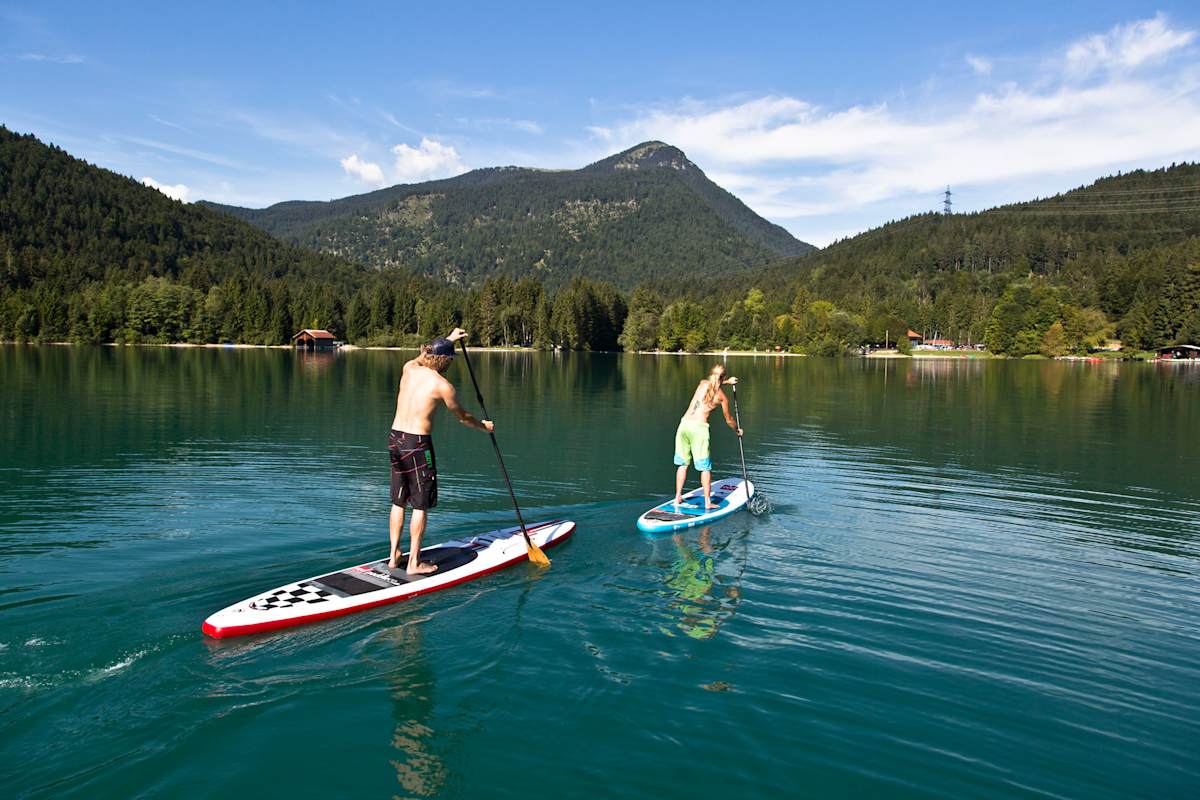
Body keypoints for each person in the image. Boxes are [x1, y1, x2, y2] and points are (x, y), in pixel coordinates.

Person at [387, 328, 493, 574]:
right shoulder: (442, 385)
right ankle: (413, 563)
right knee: (420, 504)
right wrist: (483, 426)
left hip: (394, 438)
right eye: (450, 359)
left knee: (399, 500)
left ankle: (394, 555)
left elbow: (424, 353)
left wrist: (449, 339)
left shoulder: (409, 368)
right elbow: (463, 417)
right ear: (445, 360)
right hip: (417, 444)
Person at [673, 363, 742, 509]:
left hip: (684, 424)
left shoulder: (702, 383)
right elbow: (729, 419)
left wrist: (726, 381)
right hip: (699, 429)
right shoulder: (722, 397)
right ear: (723, 376)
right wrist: (737, 429)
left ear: (711, 374)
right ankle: (707, 502)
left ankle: (678, 497)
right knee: (705, 468)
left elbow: (713, 382)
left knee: (683, 464)